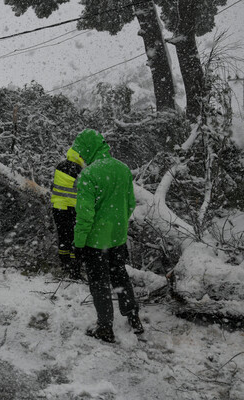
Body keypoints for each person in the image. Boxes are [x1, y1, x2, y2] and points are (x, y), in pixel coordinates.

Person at [71, 129, 144, 343]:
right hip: (118, 238)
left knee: (99, 282)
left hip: (95, 241)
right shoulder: (123, 169)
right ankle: (133, 318)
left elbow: (84, 215)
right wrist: (116, 225)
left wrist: (79, 244)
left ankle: (104, 327)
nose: (81, 157)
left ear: (88, 150)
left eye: (82, 152)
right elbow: (130, 204)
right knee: (120, 275)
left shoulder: (89, 175)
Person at [50, 146, 85, 280]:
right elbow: (83, 187)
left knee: (63, 237)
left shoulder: (61, 165)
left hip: (58, 207)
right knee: (75, 239)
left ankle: (64, 265)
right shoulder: (77, 169)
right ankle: (74, 270)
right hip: (72, 208)